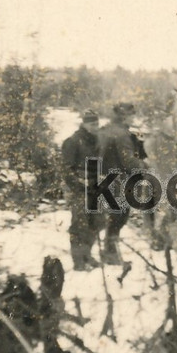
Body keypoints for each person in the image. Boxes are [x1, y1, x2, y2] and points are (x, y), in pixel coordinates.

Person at [95, 102, 144, 266]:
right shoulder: (122, 134)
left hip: (103, 177)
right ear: (124, 116)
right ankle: (110, 254)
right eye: (131, 115)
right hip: (118, 180)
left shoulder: (103, 130)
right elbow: (128, 161)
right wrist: (146, 165)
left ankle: (108, 252)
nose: (133, 118)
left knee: (113, 217)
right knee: (119, 217)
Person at [60, 109, 105, 271]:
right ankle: (78, 261)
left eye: (97, 124)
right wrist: (78, 184)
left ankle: (87, 254)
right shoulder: (73, 141)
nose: (95, 127)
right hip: (78, 189)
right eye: (92, 124)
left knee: (97, 222)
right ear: (84, 124)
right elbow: (66, 169)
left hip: (94, 187)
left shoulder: (97, 141)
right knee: (79, 225)